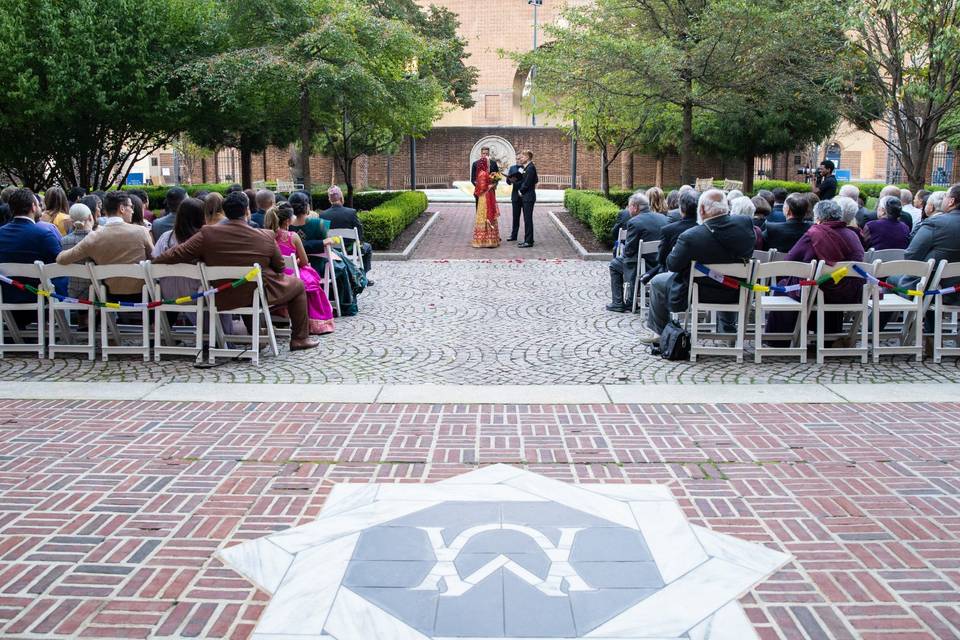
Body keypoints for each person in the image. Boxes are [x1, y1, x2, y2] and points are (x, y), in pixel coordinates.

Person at [152, 191, 320, 352]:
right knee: (297, 285)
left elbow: (177, 253)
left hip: (222, 295)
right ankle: (299, 338)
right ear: (247, 210)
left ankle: (257, 333)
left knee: (247, 287)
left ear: (225, 211)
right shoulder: (265, 235)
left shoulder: (207, 234)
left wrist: (152, 263)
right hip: (257, 294)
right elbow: (280, 267)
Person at [643, 189, 755, 342]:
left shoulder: (691, 237)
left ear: (701, 210)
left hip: (701, 292)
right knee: (728, 278)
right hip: (737, 290)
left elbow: (672, 265)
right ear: (726, 206)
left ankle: (660, 334)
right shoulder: (745, 223)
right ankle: (727, 333)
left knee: (657, 282)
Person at [769, 200, 865, 337]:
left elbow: (789, 262)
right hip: (850, 291)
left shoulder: (814, 234)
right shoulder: (853, 234)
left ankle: (780, 339)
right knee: (826, 284)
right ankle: (828, 336)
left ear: (818, 217)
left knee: (787, 286)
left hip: (820, 291)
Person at [57, 191, 154, 302]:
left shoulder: (93, 237)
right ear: (122, 209)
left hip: (109, 298)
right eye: (131, 207)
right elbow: (155, 257)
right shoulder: (141, 231)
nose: (132, 210)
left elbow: (61, 259)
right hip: (143, 295)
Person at [288, 191, 365, 316]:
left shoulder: (287, 226)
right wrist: (322, 243)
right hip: (319, 268)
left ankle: (357, 277)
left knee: (339, 260)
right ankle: (352, 289)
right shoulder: (319, 224)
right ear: (307, 207)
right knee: (341, 264)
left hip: (294, 267)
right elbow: (323, 250)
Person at [265, 202, 335, 335]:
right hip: (292, 274)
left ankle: (280, 313)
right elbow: (304, 261)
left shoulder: (266, 236)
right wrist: (295, 261)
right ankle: (314, 321)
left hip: (272, 276)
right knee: (310, 279)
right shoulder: (292, 236)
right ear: (287, 221)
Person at [0, 189, 65, 327]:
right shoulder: (44, 234)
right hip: (40, 298)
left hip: (5, 298)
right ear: (33, 207)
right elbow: (61, 263)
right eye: (39, 204)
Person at [606, 192, 669, 312]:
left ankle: (618, 303)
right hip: (660, 265)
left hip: (642, 267)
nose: (628, 209)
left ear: (635, 207)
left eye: (629, 206)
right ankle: (631, 299)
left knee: (615, 264)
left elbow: (629, 251)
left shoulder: (634, 222)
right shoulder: (664, 218)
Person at [151, 197, 206, 305]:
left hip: (167, 294)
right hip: (197, 295)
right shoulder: (203, 239)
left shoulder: (166, 237)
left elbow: (154, 259)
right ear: (201, 217)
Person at [644, 189, 700, 284]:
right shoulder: (707, 228)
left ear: (681, 209)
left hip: (677, 278)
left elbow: (661, 260)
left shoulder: (669, 230)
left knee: (656, 283)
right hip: (704, 279)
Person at [320, 185, 374, 280]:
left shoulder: (323, 215)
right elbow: (359, 231)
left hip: (331, 249)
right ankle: (363, 277)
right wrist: (359, 243)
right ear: (341, 197)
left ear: (330, 199)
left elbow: (321, 234)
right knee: (368, 247)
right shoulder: (351, 212)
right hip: (350, 249)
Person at [61, 203, 96, 300]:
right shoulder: (97, 238)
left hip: (73, 292)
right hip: (96, 292)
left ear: (71, 220)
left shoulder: (64, 241)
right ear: (90, 217)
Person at [471, 154, 501, 248]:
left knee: (485, 215)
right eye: (487, 163)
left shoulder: (482, 173)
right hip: (485, 197)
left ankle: (486, 239)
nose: (489, 164)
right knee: (486, 214)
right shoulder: (483, 174)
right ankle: (487, 240)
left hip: (485, 197)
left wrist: (493, 179)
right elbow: (482, 188)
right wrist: (492, 185)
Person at [516, 150, 538, 248]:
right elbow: (535, 180)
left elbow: (528, 182)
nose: (521, 158)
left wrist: (521, 191)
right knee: (527, 219)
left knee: (528, 219)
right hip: (528, 196)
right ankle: (528, 239)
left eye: (522, 156)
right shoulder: (528, 167)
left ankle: (528, 241)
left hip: (528, 197)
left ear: (528, 157)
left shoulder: (530, 168)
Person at [506, 152, 524, 241]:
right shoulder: (512, 168)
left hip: (525, 195)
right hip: (515, 196)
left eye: (520, 158)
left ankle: (527, 237)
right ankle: (514, 236)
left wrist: (518, 181)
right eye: (517, 158)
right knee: (515, 217)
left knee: (526, 218)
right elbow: (508, 182)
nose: (518, 160)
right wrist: (510, 180)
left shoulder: (526, 168)